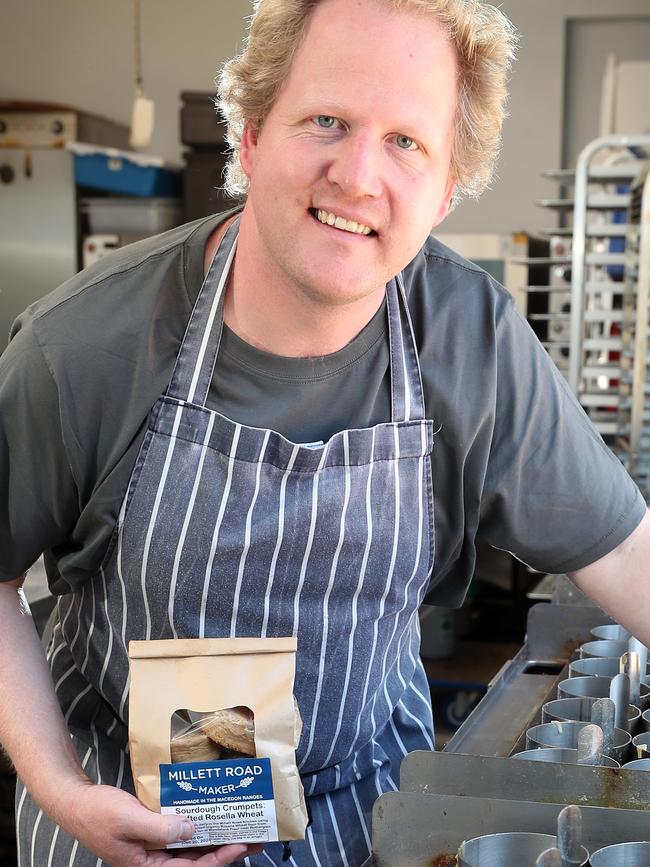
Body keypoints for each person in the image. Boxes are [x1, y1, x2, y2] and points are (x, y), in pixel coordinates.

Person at [1, 0, 648, 864]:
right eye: (327, 121)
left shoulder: (471, 344)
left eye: (407, 142)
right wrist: (60, 787)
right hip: (122, 810)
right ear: (253, 136)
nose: (357, 175)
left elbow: (627, 554)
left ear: (448, 189)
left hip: (364, 815)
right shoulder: (86, 343)